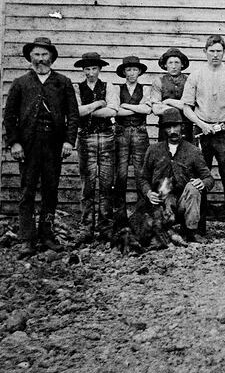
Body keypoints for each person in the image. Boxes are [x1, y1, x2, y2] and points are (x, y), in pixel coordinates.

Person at [4, 37, 79, 258]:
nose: (40, 59)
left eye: (44, 55)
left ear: (52, 58)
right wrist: (15, 142)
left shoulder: (63, 82)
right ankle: (26, 239)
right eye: (36, 55)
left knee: (50, 190)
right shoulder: (20, 83)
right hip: (28, 145)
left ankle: (47, 234)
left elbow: (73, 115)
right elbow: (9, 117)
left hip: (54, 144)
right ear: (30, 57)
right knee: (27, 190)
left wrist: (68, 140)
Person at [182, 34, 225, 237]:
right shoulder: (196, 75)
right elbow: (186, 108)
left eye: (219, 51)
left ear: (224, 52)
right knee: (200, 179)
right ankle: (197, 228)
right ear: (205, 52)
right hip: (201, 132)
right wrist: (201, 124)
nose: (215, 55)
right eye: (211, 51)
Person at [137, 108, 214, 245]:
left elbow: (209, 178)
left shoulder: (193, 151)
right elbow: (143, 178)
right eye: (168, 127)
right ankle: (167, 233)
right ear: (163, 130)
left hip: (182, 204)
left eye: (175, 126)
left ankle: (192, 232)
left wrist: (202, 183)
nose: (172, 130)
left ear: (182, 127)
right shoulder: (153, 150)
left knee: (193, 187)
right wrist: (148, 193)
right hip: (160, 203)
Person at [73, 52, 118, 241]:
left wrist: (88, 110)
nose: (90, 72)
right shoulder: (76, 88)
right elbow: (76, 111)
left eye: (94, 68)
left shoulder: (109, 86)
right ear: (83, 70)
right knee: (87, 185)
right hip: (85, 138)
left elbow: (113, 110)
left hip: (107, 137)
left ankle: (105, 227)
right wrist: (99, 103)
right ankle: (86, 228)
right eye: (87, 69)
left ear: (99, 69)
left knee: (107, 184)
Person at [112, 55, 152, 222]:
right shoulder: (116, 90)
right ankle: (119, 216)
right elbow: (115, 111)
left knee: (140, 173)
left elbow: (147, 110)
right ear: (123, 72)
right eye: (128, 69)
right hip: (121, 134)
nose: (132, 73)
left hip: (140, 134)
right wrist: (137, 108)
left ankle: (140, 215)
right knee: (120, 174)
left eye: (135, 69)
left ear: (140, 71)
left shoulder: (146, 89)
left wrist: (126, 106)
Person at [151, 48, 193, 143]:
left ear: (182, 64)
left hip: (185, 126)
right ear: (165, 65)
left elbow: (191, 106)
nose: (173, 66)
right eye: (170, 63)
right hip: (165, 127)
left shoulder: (189, 80)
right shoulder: (159, 81)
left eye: (177, 63)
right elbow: (156, 109)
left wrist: (168, 101)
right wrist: (182, 106)